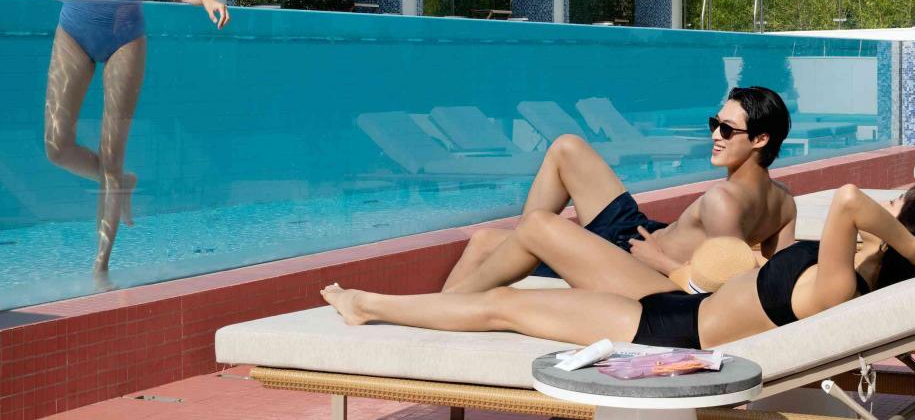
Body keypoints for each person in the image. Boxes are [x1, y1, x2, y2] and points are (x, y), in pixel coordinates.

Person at [322, 184, 915, 349]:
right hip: (679, 301)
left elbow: (847, 199)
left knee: (507, 309)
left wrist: (900, 232)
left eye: (897, 205)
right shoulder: (843, 268)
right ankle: (468, 271)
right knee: (544, 230)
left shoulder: (844, 285)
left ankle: (366, 305)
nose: (884, 205)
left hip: (669, 333)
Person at [44, 0, 230, 280]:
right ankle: (118, 182)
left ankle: (101, 266)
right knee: (56, 146)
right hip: (75, 29)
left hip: (127, 35)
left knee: (114, 150)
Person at [440, 86, 796, 300]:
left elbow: (727, 291)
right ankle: (526, 250)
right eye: (714, 124)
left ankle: (436, 317)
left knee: (485, 242)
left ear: (760, 139)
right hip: (642, 232)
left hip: (635, 264)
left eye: (728, 130)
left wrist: (663, 264)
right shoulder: (783, 201)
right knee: (567, 148)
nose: (715, 135)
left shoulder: (724, 200)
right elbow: (784, 273)